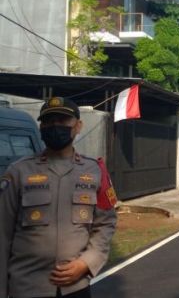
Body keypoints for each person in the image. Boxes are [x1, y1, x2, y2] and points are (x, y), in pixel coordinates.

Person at [0, 97, 117, 298]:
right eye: (49, 121)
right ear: (41, 127)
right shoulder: (18, 171)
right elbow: (2, 234)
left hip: (76, 288)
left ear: (78, 126)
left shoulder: (95, 171)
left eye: (62, 121)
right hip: (27, 288)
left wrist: (86, 262)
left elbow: (105, 224)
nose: (55, 126)